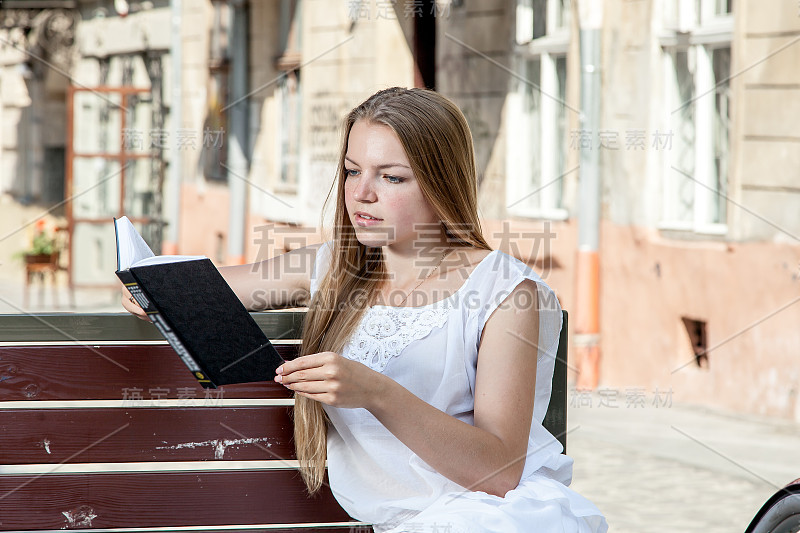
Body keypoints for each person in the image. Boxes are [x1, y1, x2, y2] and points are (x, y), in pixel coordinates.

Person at [122, 87, 607, 533]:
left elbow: (498, 473)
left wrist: (375, 392)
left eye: (391, 177)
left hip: (490, 516)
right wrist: (148, 288)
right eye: (353, 171)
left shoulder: (506, 292)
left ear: (444, 183)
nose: (362, 194)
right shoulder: (334, 265)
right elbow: (201, 284)